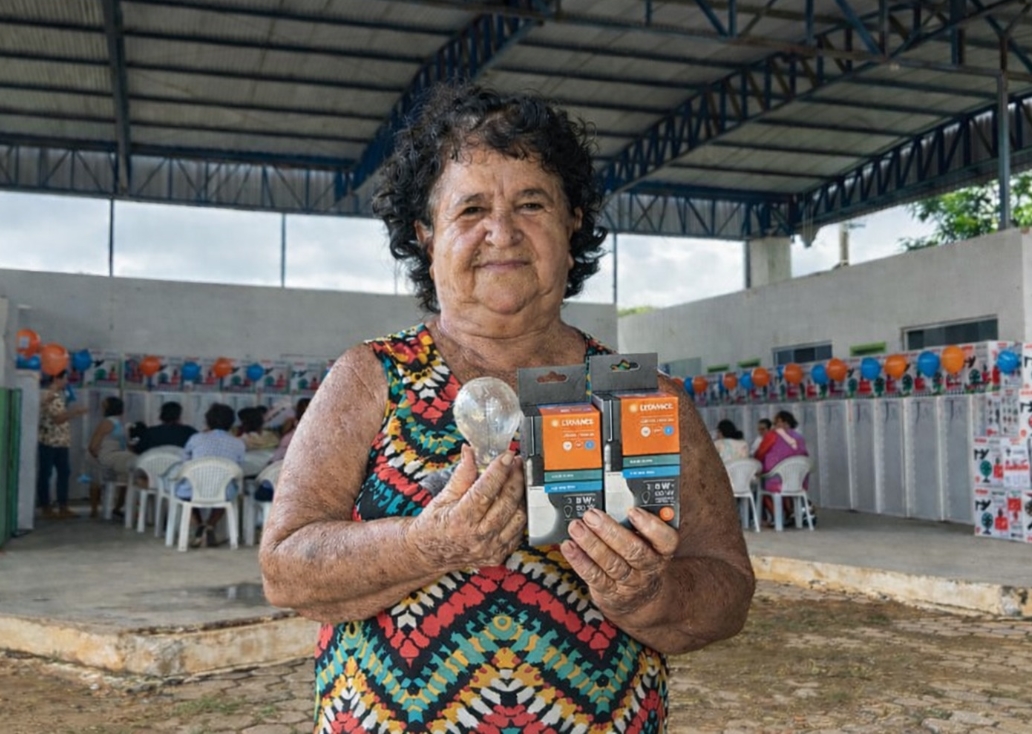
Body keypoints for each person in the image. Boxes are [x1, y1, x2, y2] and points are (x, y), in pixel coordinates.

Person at [259, 83, 755, 734]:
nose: (502, 232)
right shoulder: (371, 377)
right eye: (471, 209)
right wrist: (424, 545)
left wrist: (648, 593)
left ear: (572, 222)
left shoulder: (639, 394)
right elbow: (286, 571)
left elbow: (727, 589)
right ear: (426, 234)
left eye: (531, 203)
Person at [178, 403, 246, 548]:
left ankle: (199, 525)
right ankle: (210, 525)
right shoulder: (238, 443)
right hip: (223, 490)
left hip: (194, 489)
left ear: (207, 420)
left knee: (185, 494)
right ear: (231, 422)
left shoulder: (195, 438)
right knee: (227, 492)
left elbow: (185, 462)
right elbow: (238, 468)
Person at [36, 370, 89, 519]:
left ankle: (63, 506)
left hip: (61, 441)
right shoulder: (49, 395)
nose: (66, 382)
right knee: (45, 474)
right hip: (49, 441)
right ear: (56, 379)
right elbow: (58, 418)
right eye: (64, 379)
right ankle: (46, 506)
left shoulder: (60, 395)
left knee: (64, 473)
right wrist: (75, 412)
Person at [754, 410, 811, 525]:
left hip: (776, 481)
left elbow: (760, 453)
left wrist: (758, 465)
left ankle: (778, 518)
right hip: (798, 481)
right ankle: (791, 514)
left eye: (776, 423)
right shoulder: (799, 437)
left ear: (784, 423)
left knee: (761, 488)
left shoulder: (772, 436)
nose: (774, 426)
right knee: (785, 488)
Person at [87, 396, 139, 519]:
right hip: (111, 456)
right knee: (132, 470)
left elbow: (93, 446)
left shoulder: (108, 423)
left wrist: (96, 456)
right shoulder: (120, 424)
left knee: (128, 472)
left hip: (110, 456)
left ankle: (97, 509)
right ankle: (120, 507)